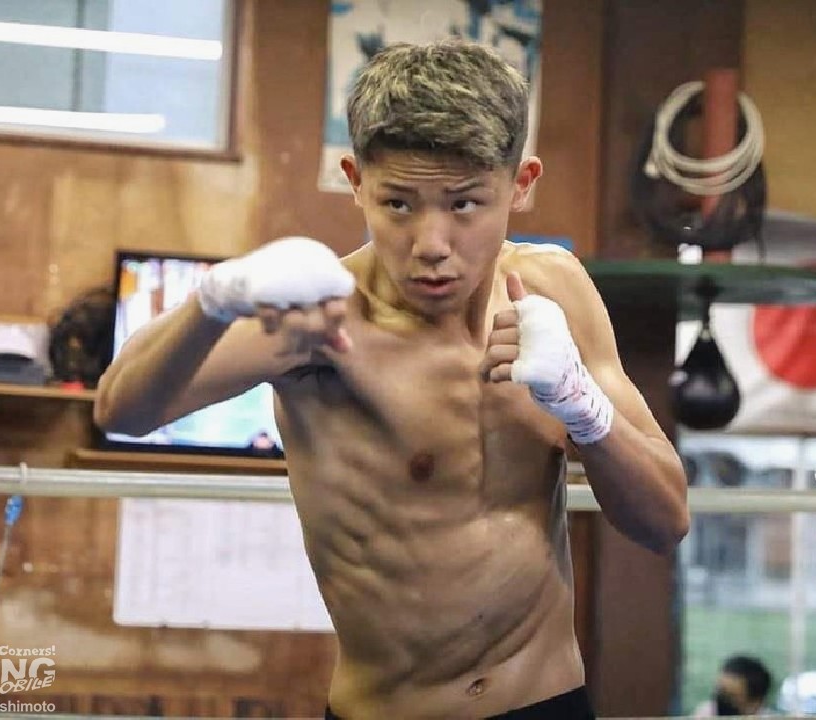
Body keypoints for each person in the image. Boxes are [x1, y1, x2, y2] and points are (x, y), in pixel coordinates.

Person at [94, 39, 689, 720]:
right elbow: (121, 410)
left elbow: (665, 521)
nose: (431, 244)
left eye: (465, 204)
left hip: (549, 700)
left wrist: (582, 405)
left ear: (521, 184)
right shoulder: (323, 321)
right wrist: (213, 300)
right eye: (399, 204)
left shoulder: (553, 291)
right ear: (355, 180)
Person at [693, 655, 774, 716]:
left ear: (755, 703)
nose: (721, 700)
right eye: (720, 691)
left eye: (731, 696)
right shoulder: (707, 713)